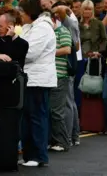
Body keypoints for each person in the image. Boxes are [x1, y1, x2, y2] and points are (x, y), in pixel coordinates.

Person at [18, 0, 56, 167]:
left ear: (29, 12)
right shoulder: (29, 27)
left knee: (37, 118)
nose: (20, 15)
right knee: (27, 118)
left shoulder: (42, 28)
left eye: (22, 12)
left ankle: (39, 155)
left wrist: (15, 53)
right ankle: (28, 155)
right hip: (28, 77)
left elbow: (30, 52)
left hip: (38, 79)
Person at [47, 13, 72, 152]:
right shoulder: (50, 32)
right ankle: (55, 140)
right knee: (50, 111)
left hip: (60, 76)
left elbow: (67, 49)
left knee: (56, 112)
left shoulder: (63, 31)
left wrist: (49, 52)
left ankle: (63, 142)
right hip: (50, 76)